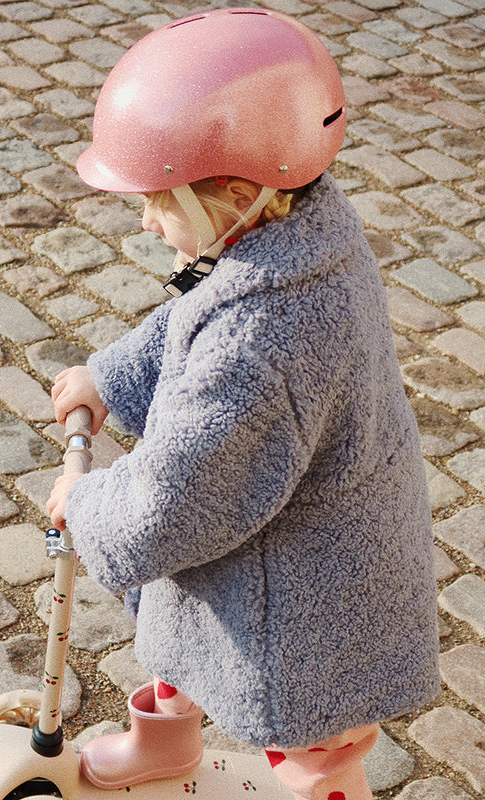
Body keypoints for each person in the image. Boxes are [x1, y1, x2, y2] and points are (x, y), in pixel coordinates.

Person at [45, 9, 440, 800]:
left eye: (161, 200)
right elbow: (192, 318)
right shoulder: (288, 234)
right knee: (183, 630)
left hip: (307, 590)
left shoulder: (267, 337)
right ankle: (165, 742)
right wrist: (115, 377)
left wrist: (85, 504)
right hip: (289, 539)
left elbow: (175, 502)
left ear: (234, 193)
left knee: (309, 727)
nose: (150, 221)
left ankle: (330, 790)